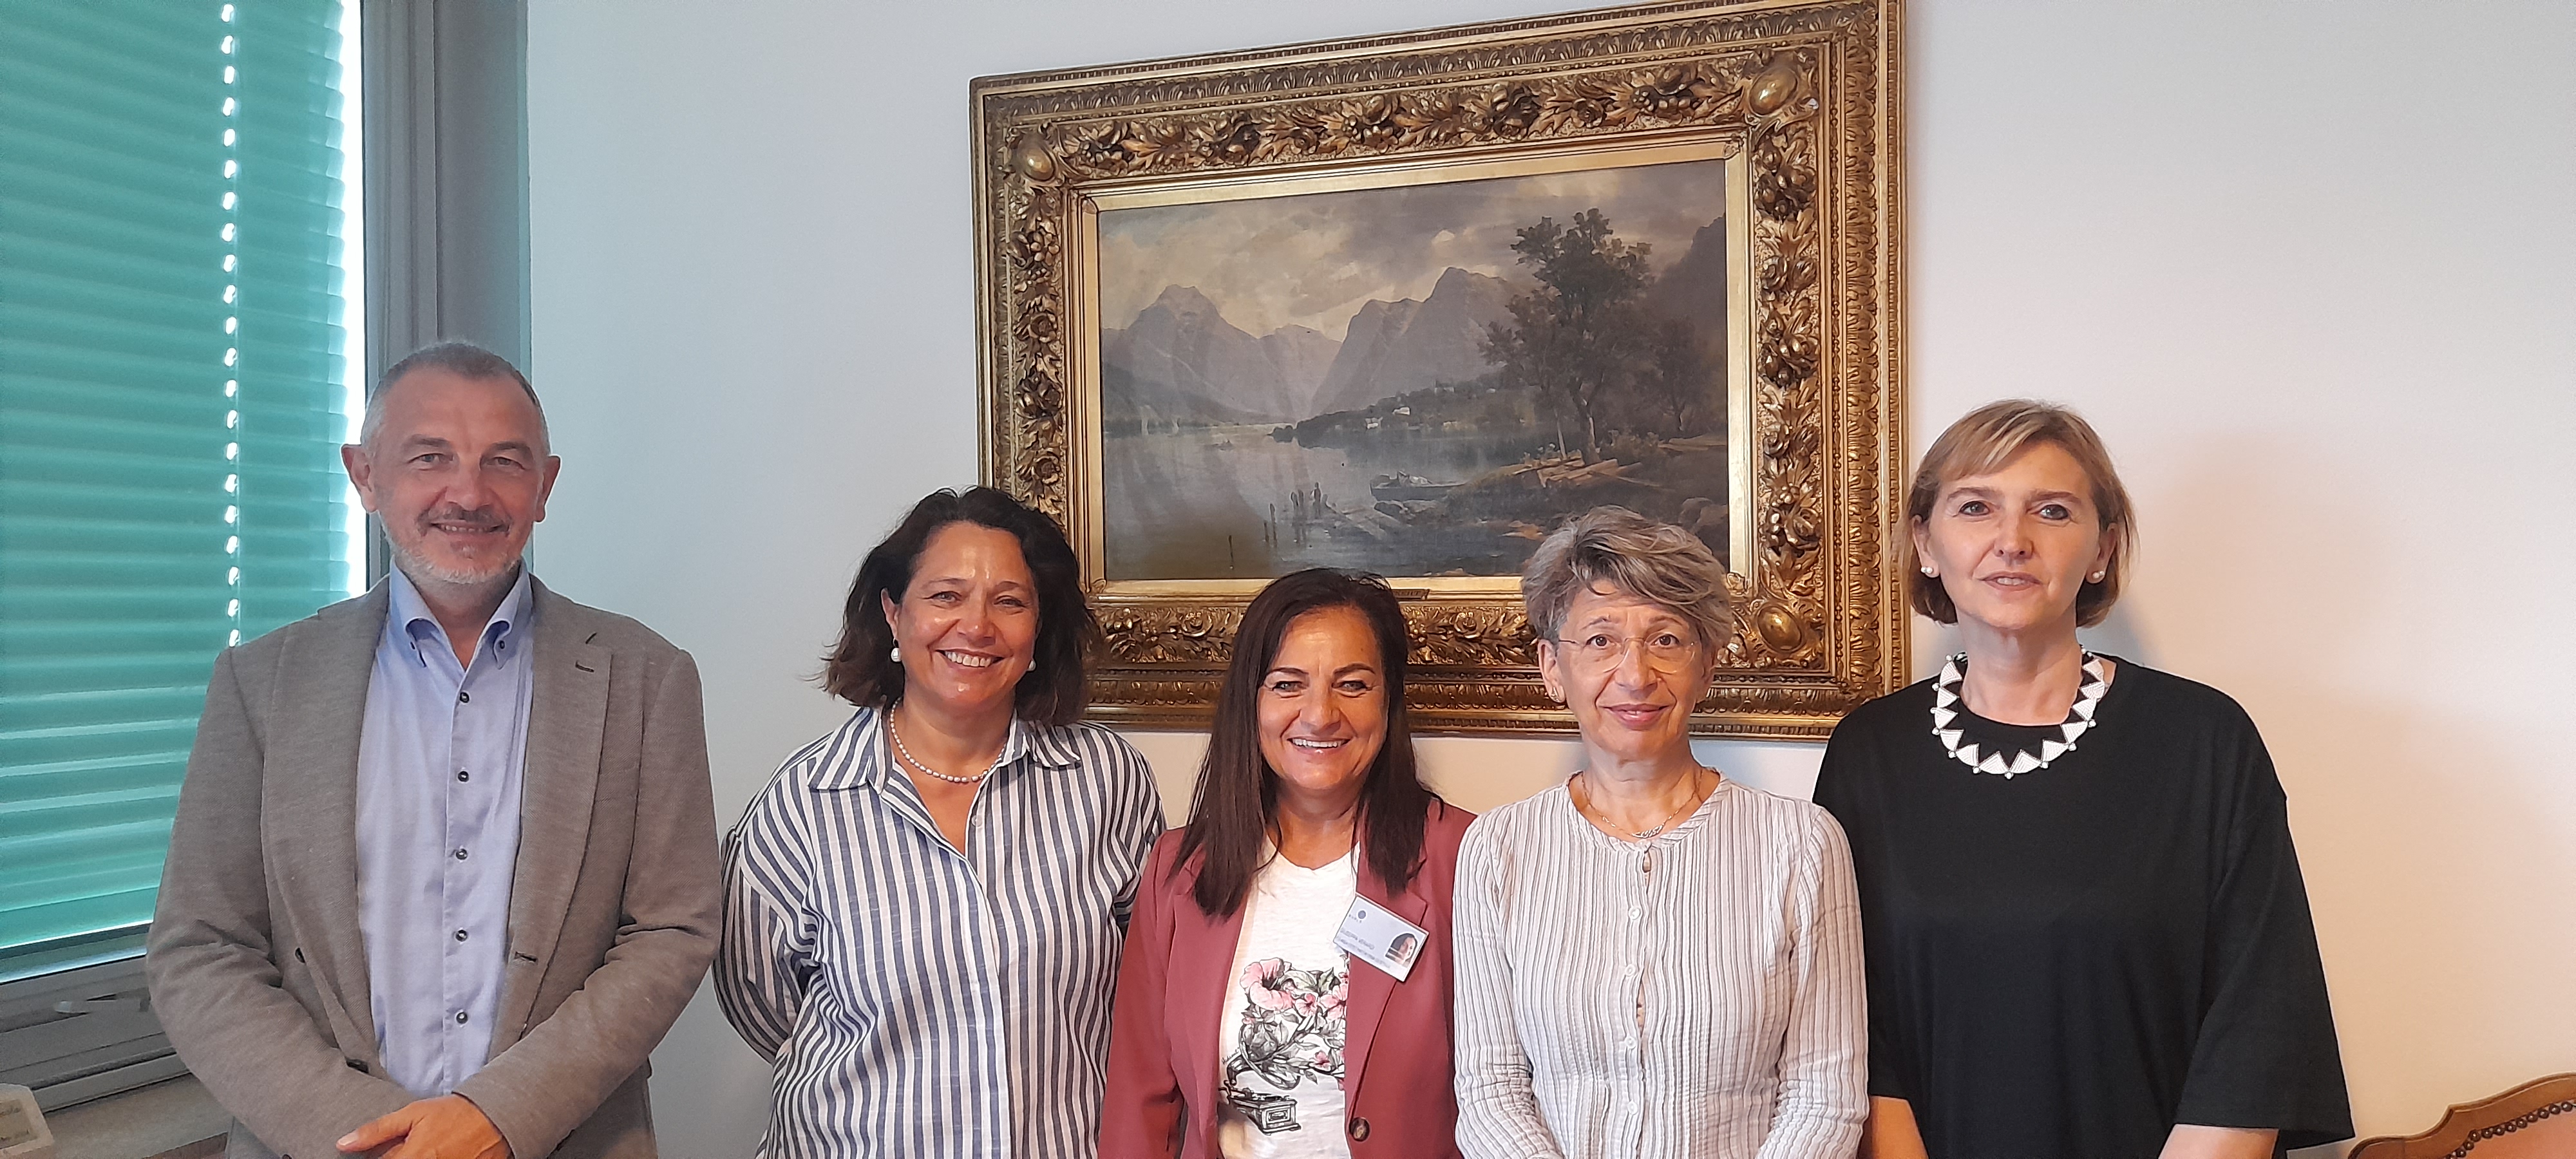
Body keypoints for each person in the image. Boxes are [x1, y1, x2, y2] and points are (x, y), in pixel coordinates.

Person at [146, 341, 722, 1159]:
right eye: (430, 458)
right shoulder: (262, 682)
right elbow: (202, 949)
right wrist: (366, 1138)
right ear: (365, 475)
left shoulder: (646, 678)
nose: (469, 494)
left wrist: (498, 1117)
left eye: (504, 462)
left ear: (544, 487)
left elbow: (671, 928)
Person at [1813, 400, 2351, 1159]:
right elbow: (1856, 1028)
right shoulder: (1869, 753)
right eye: (1975, 507)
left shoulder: (2203, 741)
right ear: (1926, 543)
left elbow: (2258, 1026)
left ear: (2102, 550)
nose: (2012, 541)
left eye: (2052, 510)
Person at [717, 487, 1163, 1159]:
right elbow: (761, 1004)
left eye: (1009, 602)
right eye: (946, 596)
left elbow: (1147, 988)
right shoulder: (802, 804)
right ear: (893, 613)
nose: (976, 627)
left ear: (1039, 628)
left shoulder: (1107, 781)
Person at [1452, 507, 1864, 1159]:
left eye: (1667, 640)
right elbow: (1489, 1090)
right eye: (1600, 641)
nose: (1635, 675)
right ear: (1552, 668)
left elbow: (1825, 1098)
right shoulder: (1498, 848)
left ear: (1707, 666)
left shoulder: (1802, 845)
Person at [1103, 569, 1473, 1159]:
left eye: (1352, 684)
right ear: (1251, 701)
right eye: (1286, 684)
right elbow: (1138, 1100)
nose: (1320, 714)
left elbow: (1506, 1082)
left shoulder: (1463, 857)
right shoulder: (1178, 870)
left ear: (1389, 701)